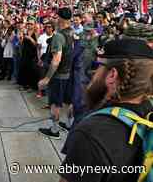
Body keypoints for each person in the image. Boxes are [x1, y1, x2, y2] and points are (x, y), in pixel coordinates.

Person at [59, 39, 153, 182]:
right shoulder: (149, 113)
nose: (94, 73)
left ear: (112, 75)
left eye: (99, 67)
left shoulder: (92, 133)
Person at [38, 7, 74, 139]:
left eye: (55, 16)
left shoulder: (59, 36)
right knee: (69, 101)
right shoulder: (72, 32)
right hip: (69, 73)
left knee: (55, 103)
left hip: (59, 76)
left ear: (60, 18)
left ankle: (54, 130)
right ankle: (70, 125)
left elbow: (56, 59)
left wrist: (47, 78)